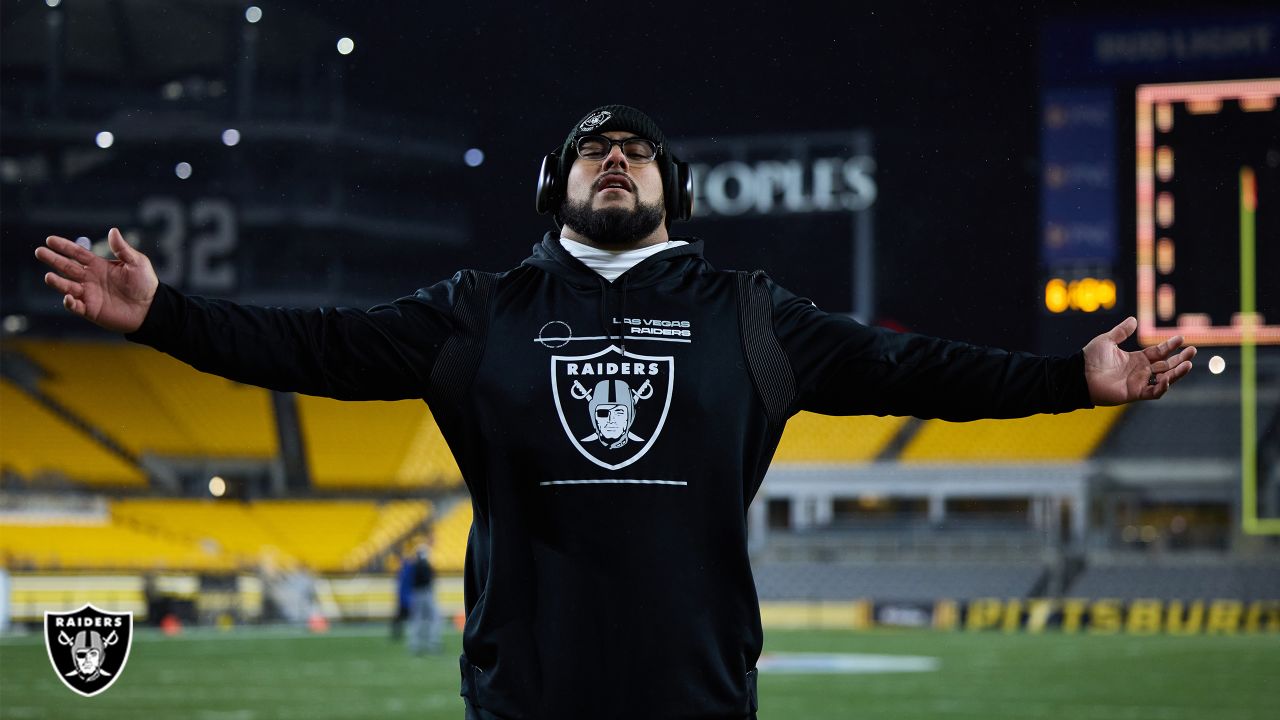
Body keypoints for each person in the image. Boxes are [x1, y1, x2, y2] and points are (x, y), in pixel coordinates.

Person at [35, 104, 1195, 719]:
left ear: (671, 191)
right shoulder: (478, 309)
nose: (614, 157)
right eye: (593, 148)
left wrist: (1065, 380)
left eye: (636, 150)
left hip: (693, 697)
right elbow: (316, 347)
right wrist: (167, 316)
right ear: (557, 187)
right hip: (525, 699)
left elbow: (916, 375)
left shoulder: (748, 312)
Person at [407, 541, 442, 655]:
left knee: (418, 619)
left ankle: (416, 644)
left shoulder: (415, 565)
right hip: (424, 593)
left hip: (418, 593)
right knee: (431, 618)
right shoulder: (422, 565)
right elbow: (429, 580)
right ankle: (431, 643)